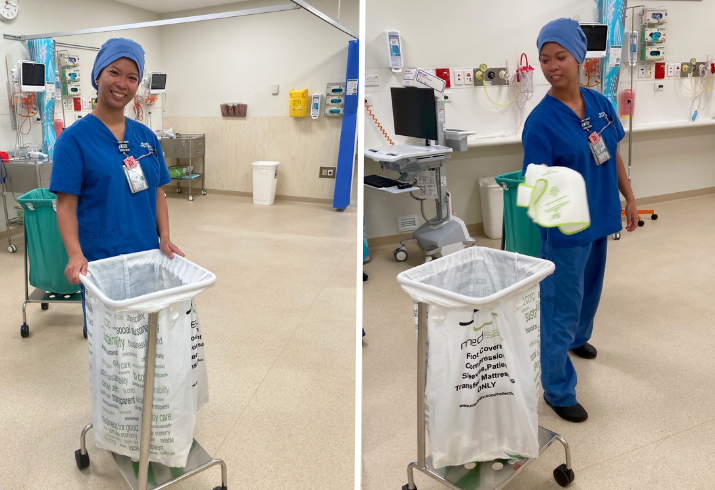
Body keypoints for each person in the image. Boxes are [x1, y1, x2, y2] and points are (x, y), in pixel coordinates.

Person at [521, 18, 638, 422]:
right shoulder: (540, 122)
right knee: (560, 307)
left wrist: (630, 198)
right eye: (545, 59)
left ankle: (578, 340)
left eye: (561, 57)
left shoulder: (601, 104)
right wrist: (553, 224)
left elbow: (613, 153)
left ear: (578, 57)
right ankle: (557, 388)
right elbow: (533, 184)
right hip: (567, 232)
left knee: (590, 293)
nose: (553, 66)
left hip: (602, 217)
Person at [50, 38, 183, 333]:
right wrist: (75, 253)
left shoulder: (146, 137)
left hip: (146, 251)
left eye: (132, 77)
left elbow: (158, 191)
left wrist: (165, 236)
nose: (122, 83)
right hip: (100, 258)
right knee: (110, 343)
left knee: (146, 335)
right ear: (98, 75)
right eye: (114, 72)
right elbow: (66, 205)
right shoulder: (73, 140)